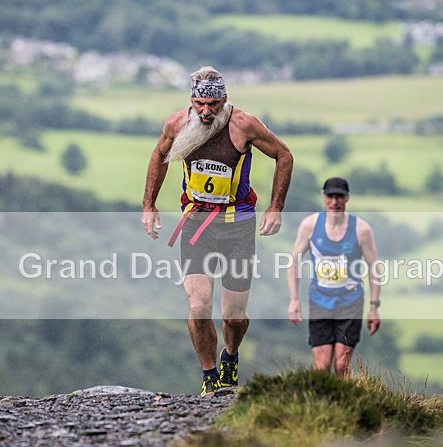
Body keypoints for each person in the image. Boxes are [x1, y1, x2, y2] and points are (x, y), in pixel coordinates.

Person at [142, 66, 293, 397]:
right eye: (199, 104)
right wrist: (149, 204)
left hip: (237, 226)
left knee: (234, 318)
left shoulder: (244, 124)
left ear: (224, 99)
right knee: (198, 306)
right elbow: (159, 154)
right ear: (191, 101)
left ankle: (231, 357)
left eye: (213, 104)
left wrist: (276, 207)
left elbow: (284, 155)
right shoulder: (177, 123)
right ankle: (210, 376)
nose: (206, 111)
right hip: (196, 223)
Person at [287, 177, 381, 378]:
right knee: (321, 368)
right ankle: (323, 399)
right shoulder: (310, 225)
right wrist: (294, 300)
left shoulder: (361, 229)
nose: (334, 202)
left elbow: (374, 267)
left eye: (339, 196)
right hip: (319, 301)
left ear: (347, 198)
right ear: (323, 196)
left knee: (341, 365)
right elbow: (294, 261)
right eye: (330, 196)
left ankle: (343, 398)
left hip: (350, 302)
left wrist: (374, 307)